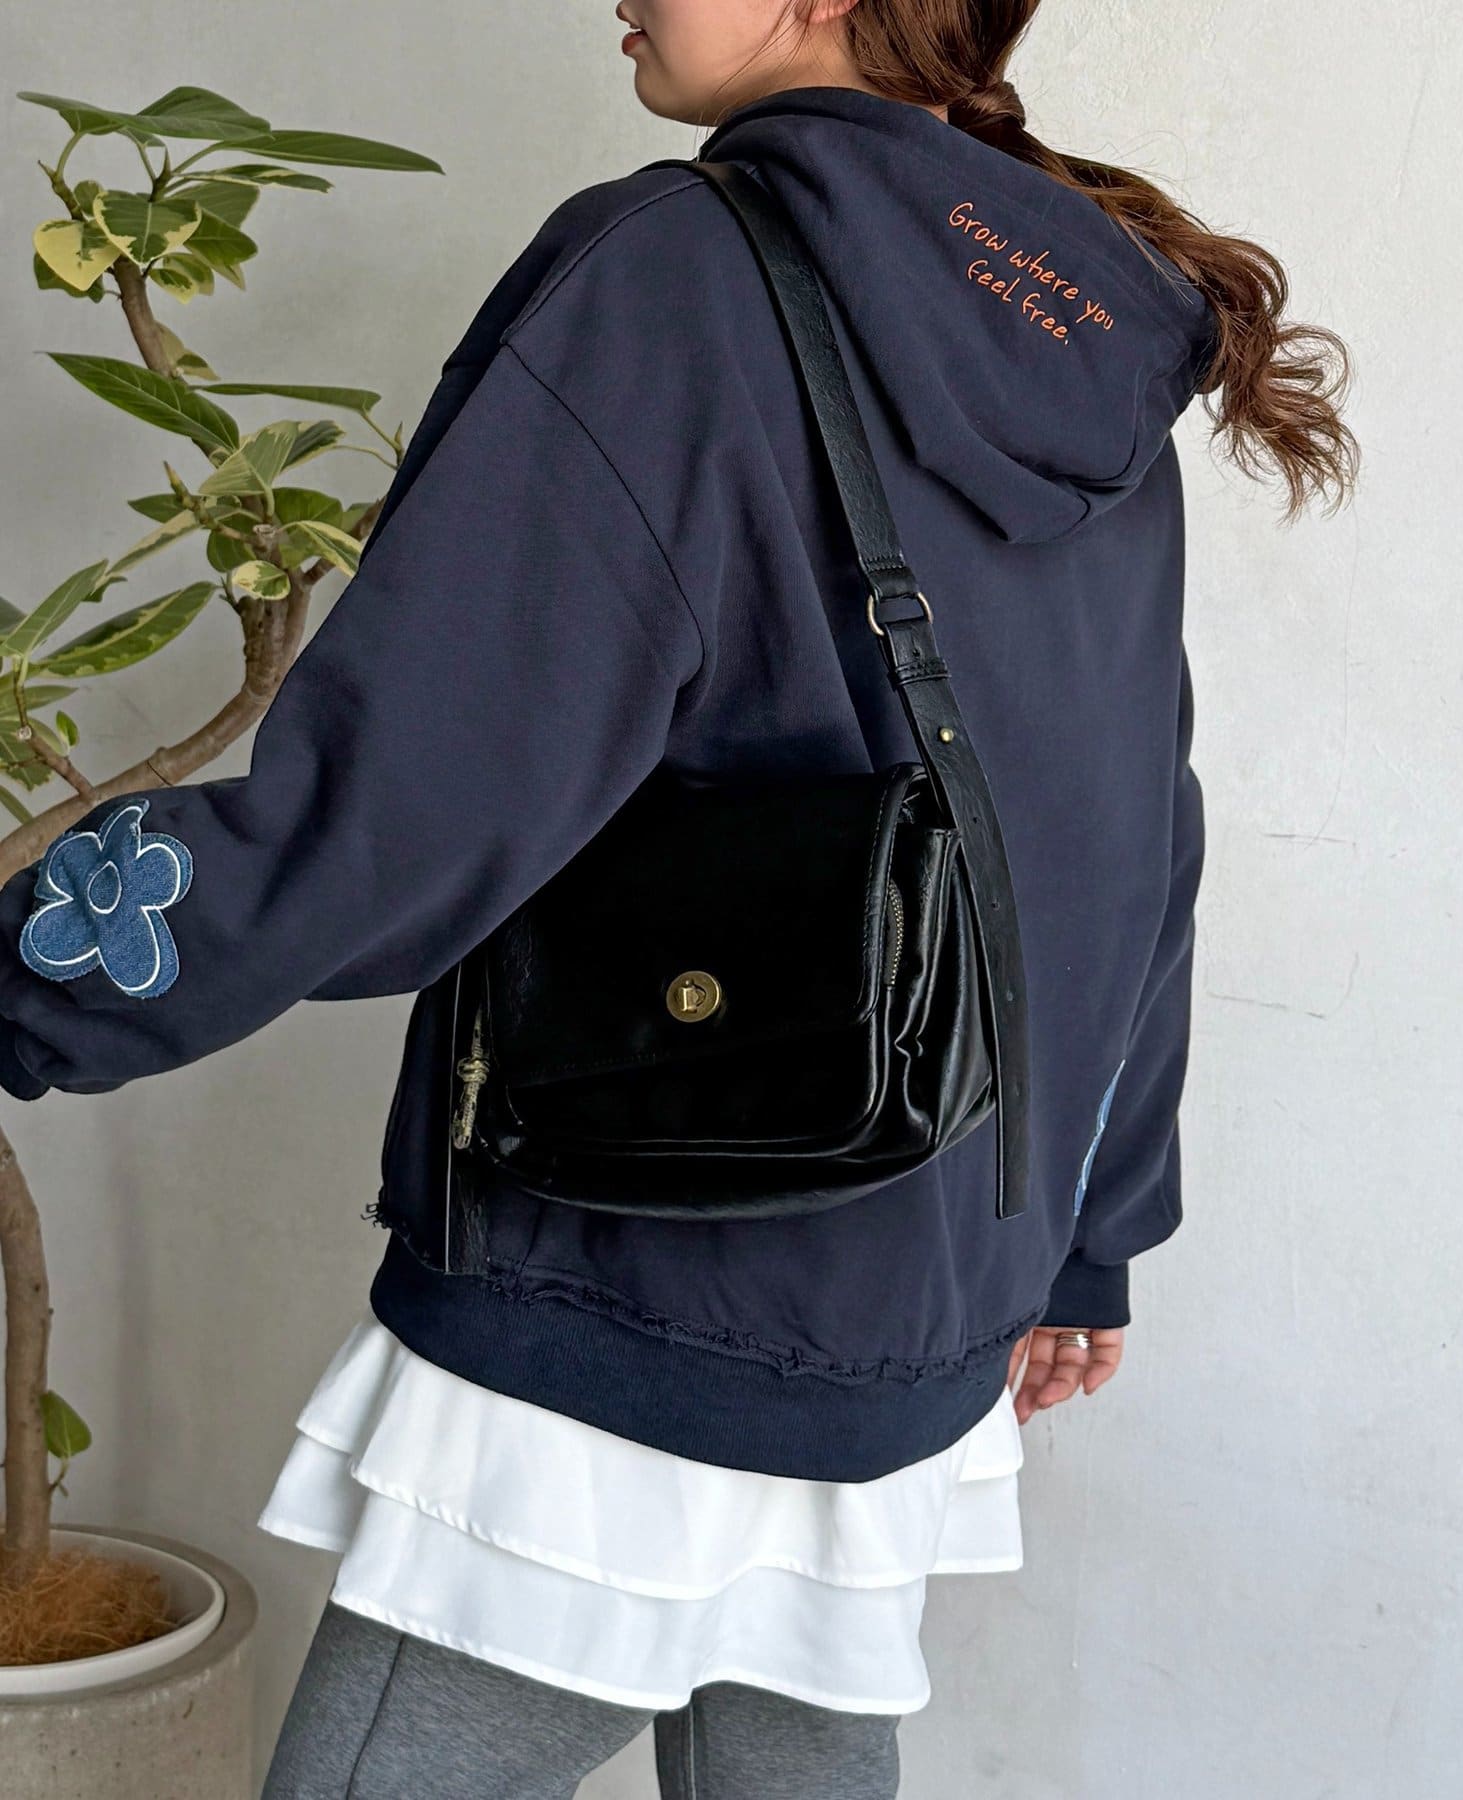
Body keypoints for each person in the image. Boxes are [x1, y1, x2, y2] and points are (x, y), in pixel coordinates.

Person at [0, 3, 1357, 1795]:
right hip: (929, 1269)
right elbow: (1127, 828)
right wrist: (1090, 1231)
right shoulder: (1089, 319)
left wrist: (28, 982)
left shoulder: (671, 275)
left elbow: (402, 811)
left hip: (641, 1289)